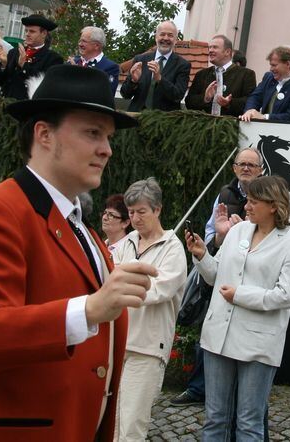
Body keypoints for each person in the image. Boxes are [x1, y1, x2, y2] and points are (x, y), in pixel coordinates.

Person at [0, 64, 158, 441]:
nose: (107, 149)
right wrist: (89, 309)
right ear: (44, 134)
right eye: (93, 132)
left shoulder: (83, 230)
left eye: (109, 136)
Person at [185, 175, 290, 441]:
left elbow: (286, 295)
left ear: (273, 205)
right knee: (215, 418)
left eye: (253, 202)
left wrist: (239, 295)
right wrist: (201, 254)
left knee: (249, 423)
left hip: (258, 344)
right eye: (247, 201)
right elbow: (216, 275)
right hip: (219, 336)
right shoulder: (238, 231)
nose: (247, 206)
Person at [170, 148, 265, 408]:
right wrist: (225, 236)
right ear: (234, 168)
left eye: (251, 165)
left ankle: (239, 393)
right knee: (210, 328)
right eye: (241, 164)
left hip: (252, 276)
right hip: (223, 269)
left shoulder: (267, 195)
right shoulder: (224, 194)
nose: (246, 168)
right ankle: (199, 388)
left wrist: (244, 233)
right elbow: (212, 236)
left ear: (260, 170)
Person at [112, 178, 187, 442]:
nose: (135, 218)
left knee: (131, 426)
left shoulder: (173, 249)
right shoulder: (126, 243)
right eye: (131, 212)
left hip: (147, 348)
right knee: (110, 425)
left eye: (141, 211)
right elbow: (108, 278)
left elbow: (158, 290)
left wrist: (121, 283)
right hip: (117, 343)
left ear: (157, 210)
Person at [121, 20, 192, 111]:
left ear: (176, 40)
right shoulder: (140, 60)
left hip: (163, 118)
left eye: (170, 35)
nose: (165, 38)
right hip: (137, 116)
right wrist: (133, 81)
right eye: (162, 34)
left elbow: (178, 96)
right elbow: (125, 94)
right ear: (156, 37)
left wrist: (160, 79)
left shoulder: (182, 65)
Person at [0, 14, 64, 100]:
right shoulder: (14, 52)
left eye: (32, 31)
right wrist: (4, 65)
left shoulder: (53, 59)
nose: (27, 34)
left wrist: (24, 65)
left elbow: (44, 85)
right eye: (26, 31)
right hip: (7, 104)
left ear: (44, 33)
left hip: (29, 106)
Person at [186, 34, 258, 116]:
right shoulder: (201, 74)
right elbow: (188, 102)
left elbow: (251, 102)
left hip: (232, 123)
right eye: (210, 47)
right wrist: (205, 98)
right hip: (204, 122)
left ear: (227, 52)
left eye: (215, 47)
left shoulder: (246, 74)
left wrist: (229, 103)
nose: (210, 50)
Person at [241, 45, 290, 122]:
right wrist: (250, 111)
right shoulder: (268, 78)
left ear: (287, 64)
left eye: (274, 65)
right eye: (271, 65)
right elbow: (255, 97)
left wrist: (264, 117)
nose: (271, 69)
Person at [70, 26, 121, 94]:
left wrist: (78, 75)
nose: (80, 44)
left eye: (84, 41)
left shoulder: (111, 67)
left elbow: (105, 95)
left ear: (96, 46)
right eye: (80, 41)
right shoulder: (71, 63)